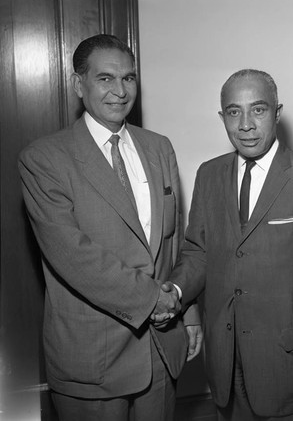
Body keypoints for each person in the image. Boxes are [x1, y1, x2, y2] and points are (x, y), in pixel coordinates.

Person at [18, 34, 202, 421]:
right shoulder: (45, 159)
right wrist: (153, 299)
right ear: (78, 85)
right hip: (91, 363)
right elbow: (73, 255)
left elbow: (175, 243)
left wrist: (188, 312)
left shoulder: (158, 147)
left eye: (129, 78)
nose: (120, 91)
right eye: (105, 79)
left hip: (161, 351)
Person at [163, 69, 293, 420]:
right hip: (225, 365)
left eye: (258, 110)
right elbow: (197, 252)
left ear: (277, 112)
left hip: (290, 367)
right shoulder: (209, 175)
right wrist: (175, 290)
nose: (246, 124)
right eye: (234, 112)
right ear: (222, 117)